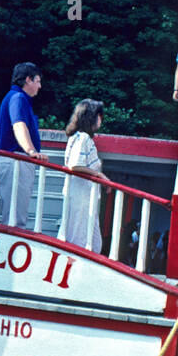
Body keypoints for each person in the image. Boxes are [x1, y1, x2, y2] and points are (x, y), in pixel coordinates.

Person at [0, 62, 43, 228]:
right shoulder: (18, 98)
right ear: (28, 80)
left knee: (12, 215)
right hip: (18, 161)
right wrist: (31, 151)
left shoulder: (14, 97)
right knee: (16, 220)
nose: (39, 86)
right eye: (37, 81)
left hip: (14, 161)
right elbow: (19, 124)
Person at [63, 100, 110, 250]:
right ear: (92, 117)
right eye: (100, 115)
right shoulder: (83, 138)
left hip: (83, 197)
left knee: (91, 240)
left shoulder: (78, 137)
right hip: (81, 198)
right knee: (80, 239)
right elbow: (75, 165)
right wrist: (99, 175)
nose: (101, 119)